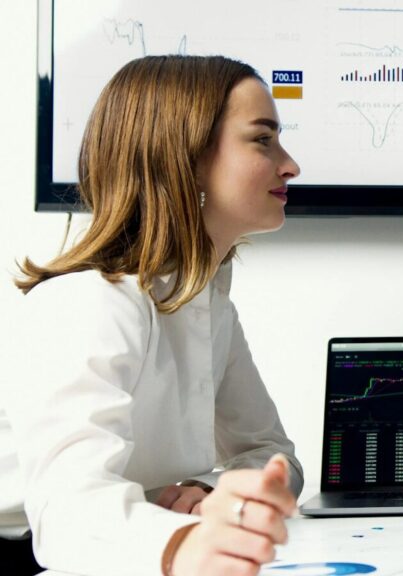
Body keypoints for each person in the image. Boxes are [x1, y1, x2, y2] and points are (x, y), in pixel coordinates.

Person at [0, 55, 304, 576]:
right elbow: (65, 513)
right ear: (184, 158)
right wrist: (183, 543)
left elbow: (275, 457)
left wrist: (206, 494)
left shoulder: (208, 306)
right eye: (262, 139)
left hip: (124, 544)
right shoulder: (90, 302)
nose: (290, 164)